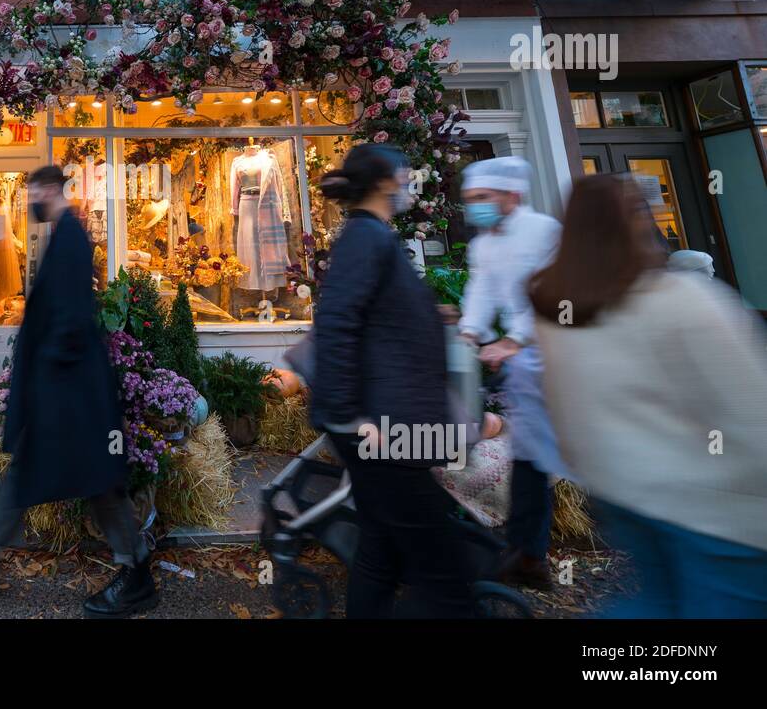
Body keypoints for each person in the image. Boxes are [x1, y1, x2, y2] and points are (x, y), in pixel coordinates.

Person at [531, 175, 767, 617]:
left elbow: (563, 407)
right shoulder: (683, 298)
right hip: (720, 505)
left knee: (656, 600)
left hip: (626, 492)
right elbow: (752, 413)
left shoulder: (555, 314)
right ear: (637, 222)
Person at [0, 165, 155, 617]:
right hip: (65, 389)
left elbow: (72, 319)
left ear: (50, 190)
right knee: (40, 477)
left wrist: (47, 379)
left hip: (71, 393)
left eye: (33, 190)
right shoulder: (65, 235)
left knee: (99, 484)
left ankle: (136, 575)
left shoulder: (71, 238)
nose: (29, 198)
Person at [311, 143, 471, 618]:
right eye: (405, 174)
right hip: (384, 429)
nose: (410, 183)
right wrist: (348, 417)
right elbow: (338, 323)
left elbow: (366, 317)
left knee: (382, 551)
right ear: (385, 181)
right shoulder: (366, 237)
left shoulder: (372, 235)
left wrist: (426, 314)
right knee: (442, 566)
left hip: (389, 423)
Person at [457, 156, 562, 588]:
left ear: (511, 196)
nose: (476, 206)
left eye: (483, 198)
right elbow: (481, 291)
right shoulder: (484, 244)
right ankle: (526, 555)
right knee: (530, 454)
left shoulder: (543, 233)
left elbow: (554, 294)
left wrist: (514, 339)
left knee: (544, 453)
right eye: (471, 199)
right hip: (525, 363)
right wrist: (468, 332)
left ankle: (527, 553)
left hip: (558, 348)